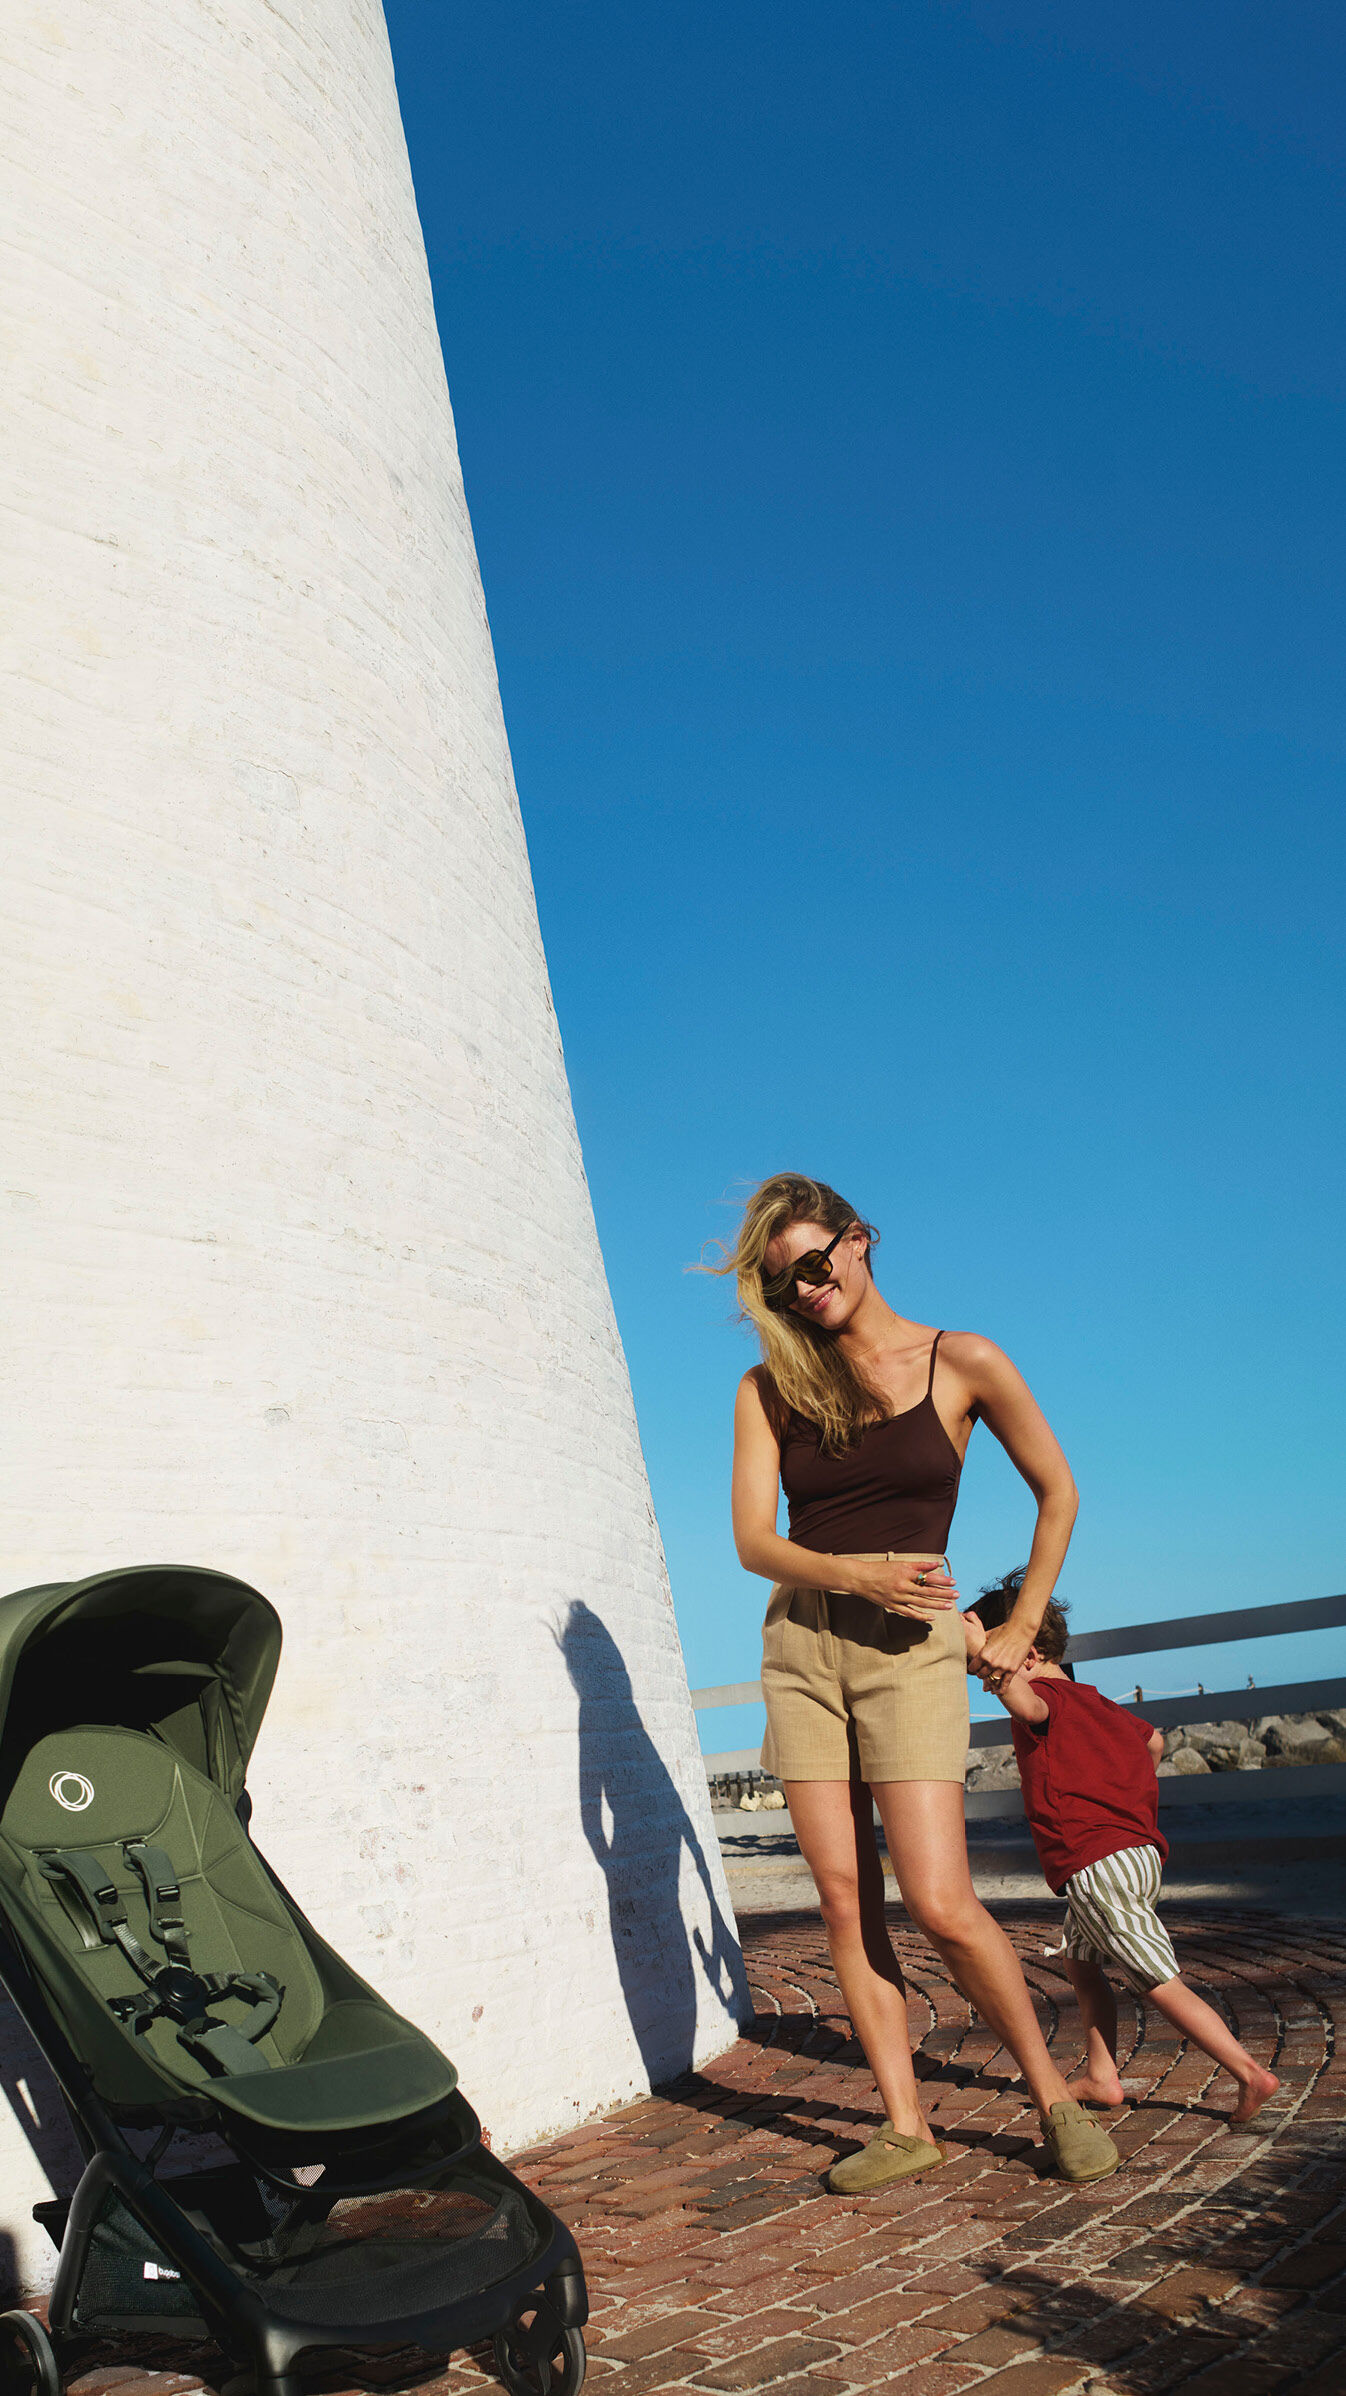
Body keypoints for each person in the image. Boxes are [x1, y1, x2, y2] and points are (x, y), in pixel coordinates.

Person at [717, 1172, 1119, 2189]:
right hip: (803, 1648)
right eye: (781, 1283)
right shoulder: (767, 1388)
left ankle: (1052, 2096)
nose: (804, 1289)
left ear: (858, 1240)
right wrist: (848, 1571)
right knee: (845, 1903)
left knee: (941, 1901)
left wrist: (1019, 1620)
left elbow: (1057, 1491)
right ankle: (905, 2124)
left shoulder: (960, 1359)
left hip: (911, 1657)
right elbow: (753, 1540)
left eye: (813, 1262)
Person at [964, 1571, 1279, 2123]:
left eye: (989, 1653)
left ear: (1027, 1653)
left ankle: (1249, 2074)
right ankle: (1102, 2075)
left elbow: (1021, 1701)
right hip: (1136, 1854)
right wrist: (1122, 1798)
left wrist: (986, 1659)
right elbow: (1153, 1741)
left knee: (1158, 1977)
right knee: (1082, 1965)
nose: (979, 1668)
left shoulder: (1042, 1699)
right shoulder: (1096, 1702)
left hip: (1096, 1862)